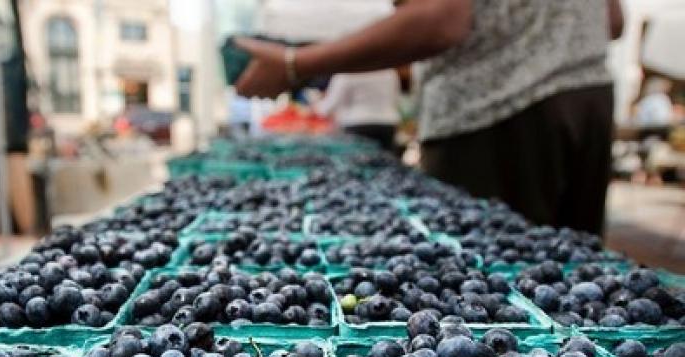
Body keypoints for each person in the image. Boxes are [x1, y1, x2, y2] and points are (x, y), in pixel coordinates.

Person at [235, 0, 624, 235]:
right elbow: (614, 21)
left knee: (484, 291)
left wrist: (295, 63)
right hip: (587, 95)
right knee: (576, 296)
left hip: (495, 105)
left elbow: (439, 17)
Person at [313, 70, 400, 151]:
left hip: (357, 125)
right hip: (387, 124)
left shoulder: (347, 73)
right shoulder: (389, 72)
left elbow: (330, 105)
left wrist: (315, 107)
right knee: (386, 163)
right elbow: (396, 99)